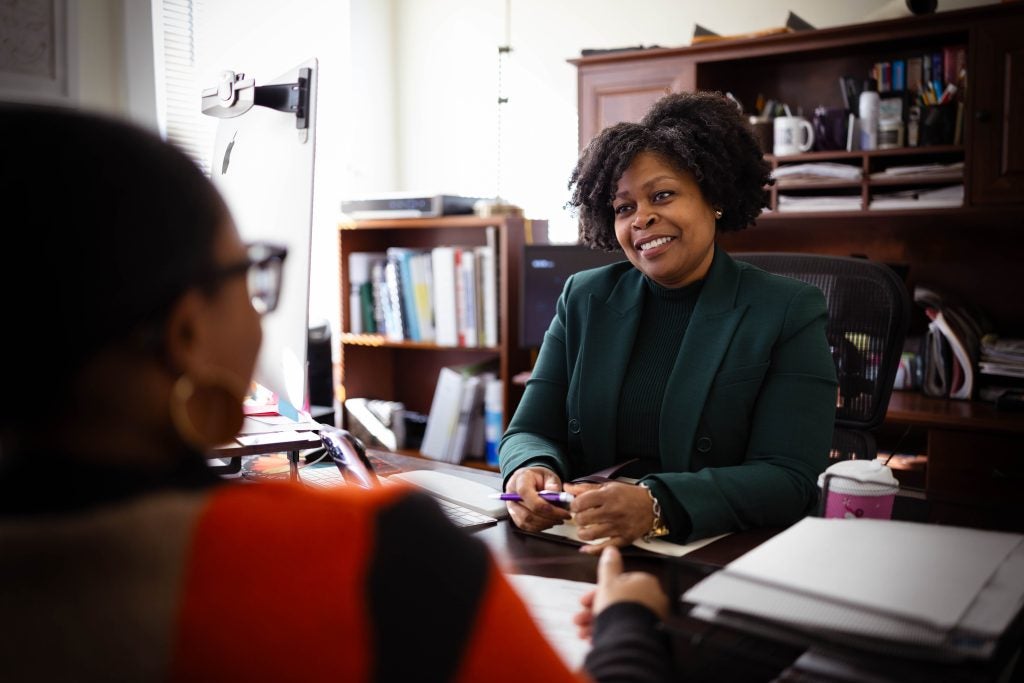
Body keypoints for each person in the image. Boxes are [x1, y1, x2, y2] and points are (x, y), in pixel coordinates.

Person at [0, 104, 674, 682]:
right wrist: (628, 619)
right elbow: (533, 421)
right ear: (184, 330)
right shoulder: (379, 557)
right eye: (251, 272)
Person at [500, 91, 839, 552]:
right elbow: (529, 429)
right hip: (585, 544)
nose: (643, 218)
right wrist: (528, 468)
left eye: (662, 195)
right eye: (624, 208)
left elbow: (791, 477)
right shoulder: (584, 297)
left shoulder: (787, 309)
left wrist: (657, 504)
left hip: (712, 551)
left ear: (714, 197)